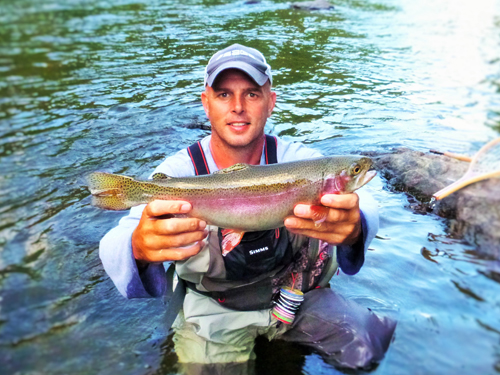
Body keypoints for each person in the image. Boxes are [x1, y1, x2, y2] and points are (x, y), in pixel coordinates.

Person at [99, 44, 396, 374]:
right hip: (216, 310)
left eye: (252, 94)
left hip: (296, 296)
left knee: (369, 346)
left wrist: (354, 226)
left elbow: (366, 204)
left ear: (271, 102)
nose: (238, 107)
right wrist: (139, 246)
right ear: (206, 104)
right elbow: (116, 242)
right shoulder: (181, 170)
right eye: (224, 95)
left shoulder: (298, 159)